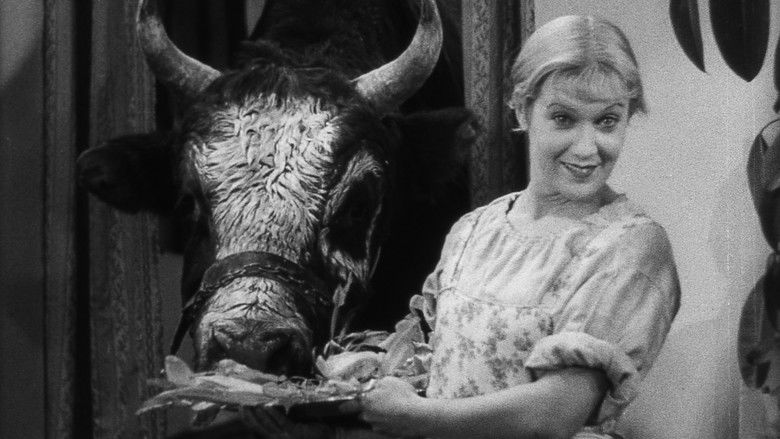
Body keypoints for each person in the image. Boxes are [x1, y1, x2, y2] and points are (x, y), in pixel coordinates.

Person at [244, 14, 680, 439]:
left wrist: (416, 418)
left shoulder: (630, 247)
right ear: (523, 109)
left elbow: (554, 413)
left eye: (607, 121)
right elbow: (425, 362)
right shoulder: (476, 229)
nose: (587, 148)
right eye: (563, 118)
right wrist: (325, 396)